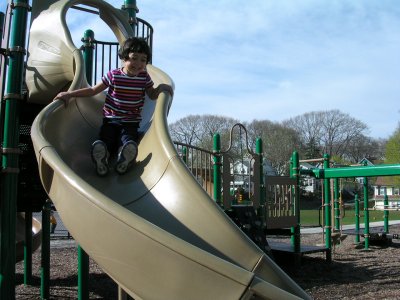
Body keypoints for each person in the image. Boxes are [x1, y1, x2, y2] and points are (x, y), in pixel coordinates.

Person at [54, 37, 173, 176]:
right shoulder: (113, 75)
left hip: (131, 121)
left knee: (128, 140)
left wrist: (160, 88)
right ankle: (102, 158)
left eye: (143, 60)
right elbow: (93, 91)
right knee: (106, 139)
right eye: (134, 58)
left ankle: (124, 158)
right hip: (111, 120)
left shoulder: (144, 77)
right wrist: (70, 94)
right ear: (124, 58)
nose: (138, 64)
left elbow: (152, 94)